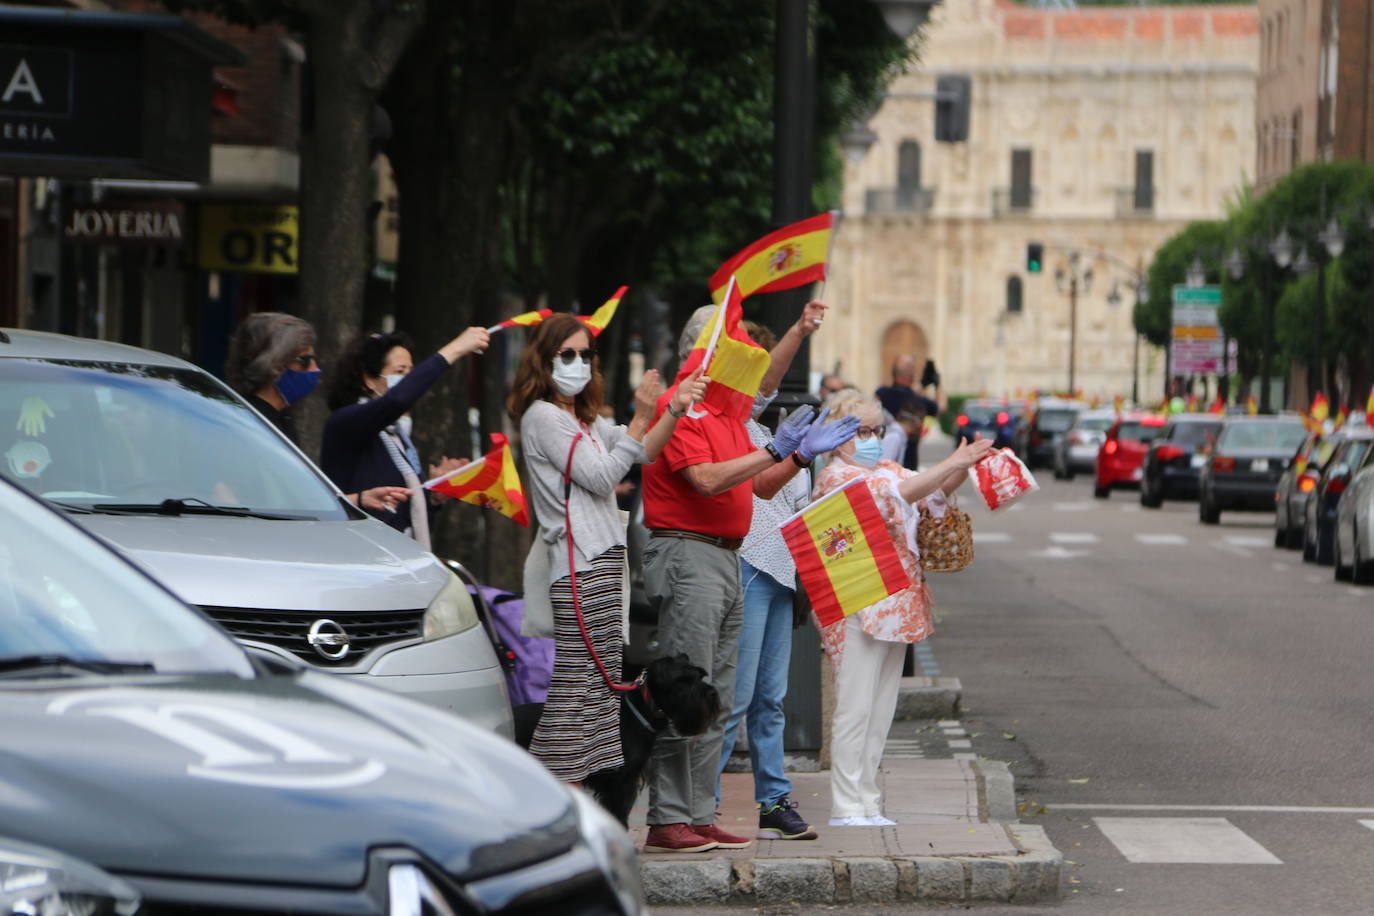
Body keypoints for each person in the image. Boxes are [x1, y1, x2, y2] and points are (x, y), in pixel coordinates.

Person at [640, 301, 860, 855]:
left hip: (724, 555)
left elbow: (758, 486)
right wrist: (772, 449)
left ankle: (699, 813)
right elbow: (706, 480)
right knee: (684, 690)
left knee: (713, 694)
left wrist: (796, 458)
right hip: (689, 555)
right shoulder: (683, 407)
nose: (745, 357)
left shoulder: (723, 414)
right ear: (705, 353)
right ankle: (669, 818)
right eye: (733, 345)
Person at [508, 313, 707, 786]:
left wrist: (673, 407)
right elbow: (601, 477)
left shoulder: (586, 421)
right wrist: (640, 416)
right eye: (567, 354)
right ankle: (550, 790)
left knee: (599, 691)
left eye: (585, 354)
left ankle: (579, 794)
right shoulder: (543, 417)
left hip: (602, 561)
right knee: (576, 687)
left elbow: (646, 450)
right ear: (544, 359)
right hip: (577, 564)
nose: (578, 363)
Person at [813, 389, 992, 827]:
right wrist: (952, 462)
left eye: (876, 431)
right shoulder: (835, 477)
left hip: (898, 602)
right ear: (836, 436)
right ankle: (845, 805)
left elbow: (930, 490)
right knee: (855, 707)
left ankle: (867, 799)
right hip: (857, 602)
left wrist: (963, 465)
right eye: (861, 431)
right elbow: (896, 494)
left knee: (880, 710)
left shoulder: (887, 469)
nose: (872, 440)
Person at [716, 315, 826, 842]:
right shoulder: (724, 423)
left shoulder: (757, 428)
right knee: (734, 698)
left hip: (779, 569)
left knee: (770, 699)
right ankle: (702, 804)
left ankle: (774, 801)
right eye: (751, 366)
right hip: (748, 565)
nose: (763, 382)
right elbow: (760, 485)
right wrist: (799, 331)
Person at [225, 312, 408, 515]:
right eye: (305, 361)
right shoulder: (245, 423)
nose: (315, 369)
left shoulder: (282, 417)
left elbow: (299, 502)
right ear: (274, 364)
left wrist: (360, 499)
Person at [320, 326, 488, 545]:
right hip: (360, 552)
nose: (409, 381)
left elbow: (405, 516)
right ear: (369, 379)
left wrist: (433, 496)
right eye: (400, 372)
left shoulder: (394, 435)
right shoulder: (346, 422)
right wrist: (456, 349)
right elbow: (397, 400)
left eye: (411, 372)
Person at [876, 355, 941, 469]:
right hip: (908, 462)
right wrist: (938, 384)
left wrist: (921, 386)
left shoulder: (880, 393)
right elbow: (941, 407)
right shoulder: (917, 400)